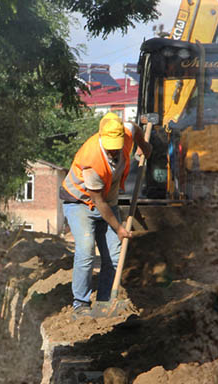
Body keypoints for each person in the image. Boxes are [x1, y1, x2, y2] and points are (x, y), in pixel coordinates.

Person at [60, 112, 152, 317]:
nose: (113, 152)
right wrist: (119, 228)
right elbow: (98, 202)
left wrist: (143, 146)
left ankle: (104, 302)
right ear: (101, 138)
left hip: (107, 201)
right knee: (86, 250)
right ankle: (80, 305)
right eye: (110, 148)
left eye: (116, 147)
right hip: (81, 202)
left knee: (114, 253)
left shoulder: (125, 134)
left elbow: (134, 128)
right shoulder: (91, 159)